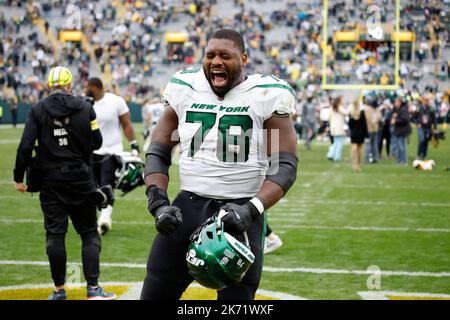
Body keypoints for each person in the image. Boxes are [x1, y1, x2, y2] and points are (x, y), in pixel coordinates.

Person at [141, 29, 298, 300]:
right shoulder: (186, 87)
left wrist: (251, 210)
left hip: (239, 212)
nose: (216, 61)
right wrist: (158, 203)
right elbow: (158, 150)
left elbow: (284, 167)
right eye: (210, 55)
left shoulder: (265, 94)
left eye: (225, 55)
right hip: (187, 207)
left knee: (236, 301)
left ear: (244, 58)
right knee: (156, 289)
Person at [13, 66, 116, 300]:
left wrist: (19, 177)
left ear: (50, 86)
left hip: (50, 181)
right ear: (69, 85)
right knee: (89, 233)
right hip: (80, 179)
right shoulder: (86, 107)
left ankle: (59, 290)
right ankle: (93, 289)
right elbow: (97, 142)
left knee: (55, 236)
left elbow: (25, 146)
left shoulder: (38, 109)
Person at [85, 77, 140, 235]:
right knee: (91, 187)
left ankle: (105, 218)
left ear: (95, 87)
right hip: (92, 152)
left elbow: (126, 123)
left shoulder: (116, 101)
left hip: (112, 151)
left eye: (87, 87)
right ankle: (94, 218)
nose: (85, 89)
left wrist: (134, 144)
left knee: (106, 184)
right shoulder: (85, 103)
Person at [327, 95, 348, 162]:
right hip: (339, 127)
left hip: (333, 127)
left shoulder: (332, 108)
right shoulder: (339, 107)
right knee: (339, 143)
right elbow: (346, 113)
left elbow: (328, 118)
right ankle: (337, 157)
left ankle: (330, 154)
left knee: (335, 142)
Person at [348, 99, 368, 172]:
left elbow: (350, 125)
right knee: (359, 150)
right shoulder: (362, 113)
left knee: (353, 149)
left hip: (354, 133)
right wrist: (366, 135)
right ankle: (358, 165)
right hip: (361, 133)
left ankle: (354, 164)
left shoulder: (351, 114)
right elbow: (364, 124)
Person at [415, 96, 437, 160]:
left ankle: (424, 155)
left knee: (426, 141)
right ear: (423, 100)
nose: (426, 101)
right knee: (421, 140)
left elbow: (434, 119)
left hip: (428, 127)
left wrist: (435, 128)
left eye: (427, 100)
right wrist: (417, 123)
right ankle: (419, 155)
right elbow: (414, 117)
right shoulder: (419, 108)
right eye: (425, 100)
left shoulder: (431, 109)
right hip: (421, 127)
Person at [391, 97, 411, 165]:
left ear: (399, 102)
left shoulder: (403, 109)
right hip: (400, 130)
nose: (395, 103)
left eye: (396, 102)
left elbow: (404, 120)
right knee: (400, 146)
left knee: (402, 146)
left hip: (402, 131)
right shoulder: (400, 109)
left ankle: (403, 161)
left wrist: (395, 121)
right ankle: (400, 160)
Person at [363, 94, 381, 163]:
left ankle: (367, 159)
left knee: (368, 144)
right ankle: (375, 158)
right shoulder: (376, 109)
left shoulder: (366, 109)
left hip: (368, 129)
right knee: (374, 144)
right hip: (375, 129)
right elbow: (379, 118)